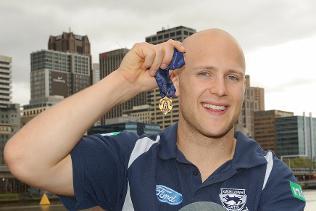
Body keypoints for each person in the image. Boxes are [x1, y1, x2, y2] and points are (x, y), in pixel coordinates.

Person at [4, 29, 305, 211]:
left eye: (233, 77)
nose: (220, 89)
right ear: (175, 81)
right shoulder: (130, 157)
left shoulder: (271, 178)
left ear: (243, 87)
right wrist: (124, 82)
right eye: (204, 73)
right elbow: (25, 159)